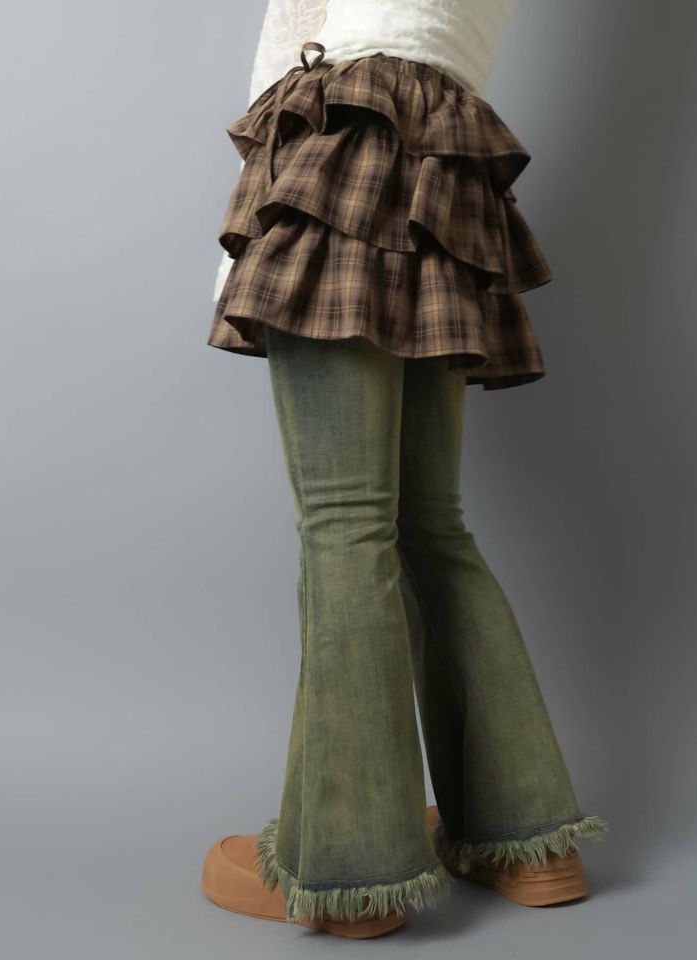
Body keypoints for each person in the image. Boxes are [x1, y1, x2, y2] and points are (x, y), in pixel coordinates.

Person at [201, 0, 607, 939]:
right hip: (444, 151)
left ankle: (353, 866)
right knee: (430, 525)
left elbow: (299, 29)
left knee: (345, 523)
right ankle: (525, 838)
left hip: (340, 133)